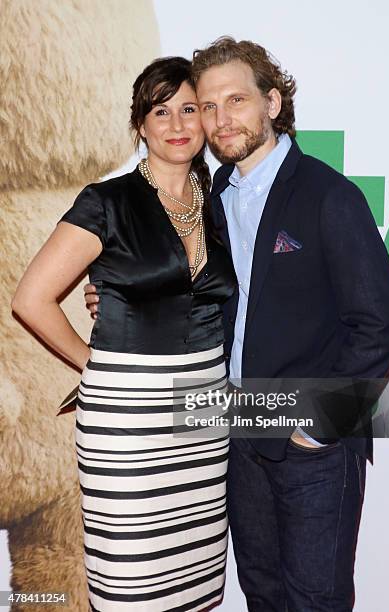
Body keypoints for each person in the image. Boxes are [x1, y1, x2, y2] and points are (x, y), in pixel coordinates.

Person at [84, 39, 389, 611]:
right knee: (262, 592)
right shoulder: (214, 199)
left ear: (273, 103)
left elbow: (379, 327)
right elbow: (196, 294)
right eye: (207, 106)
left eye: (236, 100)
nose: (219, 119)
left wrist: (318, 430)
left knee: (316, 600)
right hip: (233, 433)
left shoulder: (329, 195)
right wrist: (122, 294)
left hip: (313, 444)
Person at [12, 56, 237, 612]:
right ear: (140, 124)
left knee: (197, 584)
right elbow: (30, 300)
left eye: (189, 109)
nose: (178, 124)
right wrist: (94, 363)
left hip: (204, 424)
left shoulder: (218, 203)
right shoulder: (106, 202)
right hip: (128, 427)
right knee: (133, 585)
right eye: (161, 112)